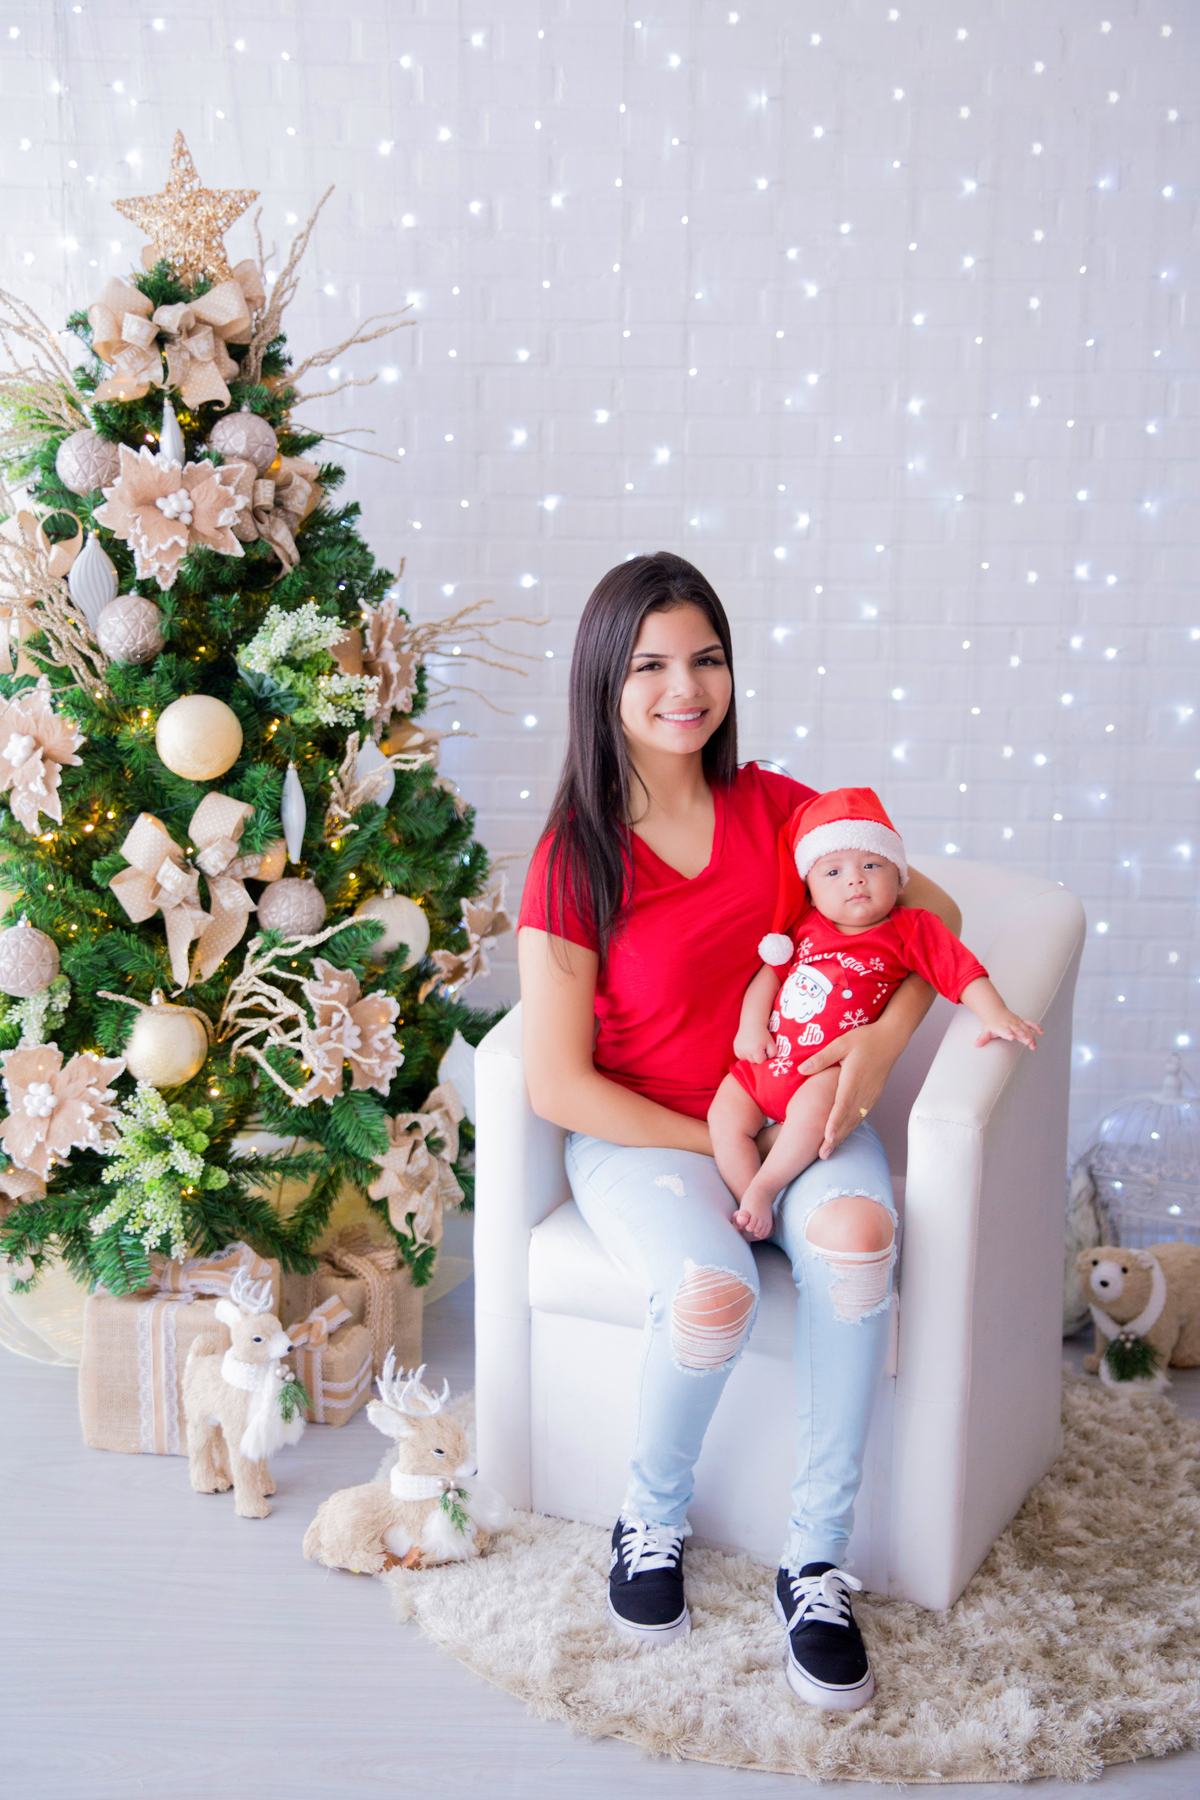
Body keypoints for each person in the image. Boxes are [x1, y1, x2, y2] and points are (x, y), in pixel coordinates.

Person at [517, 552, 963, 1711]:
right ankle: (648, 1521)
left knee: (858, 1240)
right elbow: (556, 1084)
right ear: (604, 681)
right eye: (652, 664)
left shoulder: (781, 811)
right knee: (712, 1295)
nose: (686, 687)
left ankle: (814, 1566)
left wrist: (875, 1050)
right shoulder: (575, 854)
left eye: (706, 658)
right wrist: (712, 1150)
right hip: (644, 1136)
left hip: (797, 1117)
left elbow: (936, 914)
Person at [710, 786, 1042, 1240]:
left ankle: (766, 1188)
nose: (855, 880)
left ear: (901, 880)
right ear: (810, 889)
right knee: (724, 1115)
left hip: (825, 1072)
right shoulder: (804, 927)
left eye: (871, 866)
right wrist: (750, 1028)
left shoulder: (911, 929)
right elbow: (769, 976)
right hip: (769, 1061)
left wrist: (995, 1012)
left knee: (813, 1113)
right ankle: (748, 1199)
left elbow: (961, 971)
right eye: (833, 871)